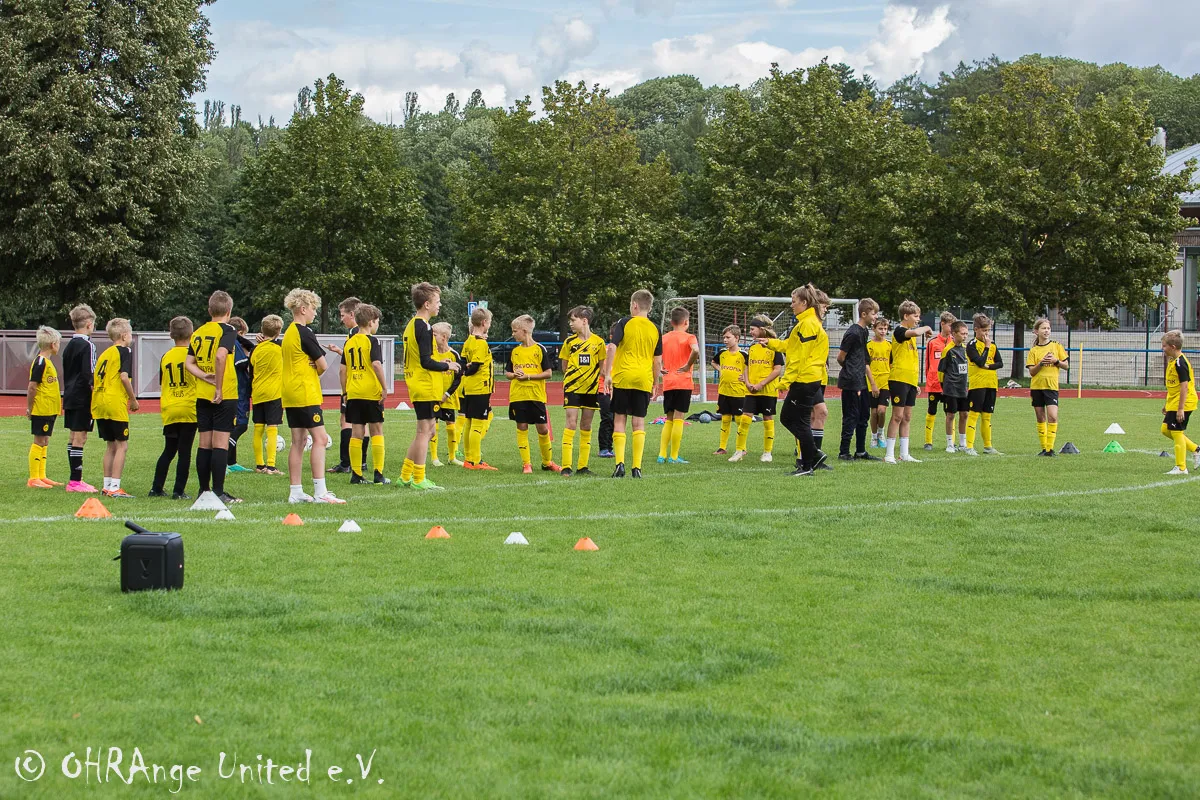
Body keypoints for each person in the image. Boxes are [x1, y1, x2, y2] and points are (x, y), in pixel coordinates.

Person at [281, 288, 345, 503]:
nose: (315, 313)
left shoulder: (289, 332)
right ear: (303, 309)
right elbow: (323, 364)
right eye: (313, 308)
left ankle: (296, 491)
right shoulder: (304, 332)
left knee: (298, 441)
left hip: (290, 392)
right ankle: (320, 492)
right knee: (320, 439)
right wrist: (314, 368)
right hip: (305, 392)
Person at [759, 284, 827, 476]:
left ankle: (807, 465)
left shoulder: (808, 324)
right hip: (806, 378)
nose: (791, 305)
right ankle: (813, 455)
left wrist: (785, 381)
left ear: (804, 303)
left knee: (797, 421)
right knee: (789, 418)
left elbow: (798, 358)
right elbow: (791, 346)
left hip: (805, 379)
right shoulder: (805, 323)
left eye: (794, 301)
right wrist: (770, 343)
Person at [400, 282, 460, 489]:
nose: (439, 305)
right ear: (427, 304)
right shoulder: (424, 327)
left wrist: (443, 363)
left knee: (428, 432)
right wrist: (447, 365)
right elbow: (425, 361)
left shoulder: (412, 324)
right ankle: (419, 478)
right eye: (437, 301)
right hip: (424, 384)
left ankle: (405, 475)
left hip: (419, 383)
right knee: (425, 432)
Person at [185, 290, 241, 505]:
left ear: (210, 310)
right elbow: (220, 355)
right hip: (224, 394)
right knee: (220, 443)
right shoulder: (228, 329)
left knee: (204, 443)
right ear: (229, 311)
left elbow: (189, 363)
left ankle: (203, 490)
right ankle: (218, 491)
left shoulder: (198, 332)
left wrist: (204, 376)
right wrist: (218, 385)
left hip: (202, 393)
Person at [606, 290, 663, 478]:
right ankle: (636, 467)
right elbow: (657, 360)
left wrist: (608, 373)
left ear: (635, 305)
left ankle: (619, 465)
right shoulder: (656, 329)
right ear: (650, 308)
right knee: (638, 423)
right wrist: (655, 381)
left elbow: (612, 346)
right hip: (643, 379)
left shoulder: (624, 322)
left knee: (619, 419)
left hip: (623, 377)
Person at [150, 317, 197, 499]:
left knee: (169, 450)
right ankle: (178, 491)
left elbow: (162, 381)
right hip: (188, 407)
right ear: (192, 334)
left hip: (170, 407)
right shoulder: (193, 355)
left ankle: (156, 488)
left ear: (171, 335)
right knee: (185, 452)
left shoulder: (166, 356)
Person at [506, 314, 560, 475]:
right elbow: (508, 373)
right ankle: (526, 464)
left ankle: (547, 462)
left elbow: (548, 373)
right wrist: (514, 375)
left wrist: (528, 376)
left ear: (524, 331)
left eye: (515, 331)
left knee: (542, 429)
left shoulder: (539, 349)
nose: (513, 334)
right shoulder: (515, 351)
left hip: (536, 395)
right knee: (521, 427)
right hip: (518, 395)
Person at [343, 303, 390, 484]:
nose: (377, 325)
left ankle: (356, 475)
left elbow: (342, 370)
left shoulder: (349, 342)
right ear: (371, 322)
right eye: (377, 321)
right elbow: (376, 364)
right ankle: (378, 474)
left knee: (357, 432)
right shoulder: (372, 340)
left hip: (354, 392)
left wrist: (344, 391)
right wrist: (384, 387)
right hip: (370, 392)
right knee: (376, 430)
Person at [91, 318, 138, 498]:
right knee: (122, 445)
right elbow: (124, 377)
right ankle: (115, 487)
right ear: (124, 335)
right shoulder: (124, 351)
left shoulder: (105, 353)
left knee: (110, 445)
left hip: (99, 401)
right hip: (114, 401)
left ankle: (107, 485)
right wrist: (133, 399)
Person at [884, 301, 933, 465]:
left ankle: (904, 453)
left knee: (907, 417)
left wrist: (915, 383)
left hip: (910, 380)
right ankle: (889, 454)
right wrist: (927, 327)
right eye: (916, 316)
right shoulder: (900, 331)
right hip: (899, 379)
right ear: (906, 316)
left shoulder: (910, 336)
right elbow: (917, 332)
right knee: (897, 416)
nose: (918, 319)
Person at [560, 306, 606, 477]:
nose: (570, 324)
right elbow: (564, 366)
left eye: (573, 320)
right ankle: (566, 466)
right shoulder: (569, 342)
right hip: (572, 388)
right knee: (571, 423)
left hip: (591, 390)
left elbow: (602, 368)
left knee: (586, 425)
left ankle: (583, 466)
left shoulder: (599, 343)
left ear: (584, 321)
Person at [837, 298, 881, 462]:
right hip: (851, 382)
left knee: (863, 415)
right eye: (873, 314)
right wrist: (851, 371)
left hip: (861, 381)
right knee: (851, 416)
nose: (876, 317)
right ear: (863, 314)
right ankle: (844, 452)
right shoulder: (853, 333)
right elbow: (841, 357)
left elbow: (863, 358)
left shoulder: (864, 332)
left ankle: (861, 451)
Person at [62, 304, 99, 493]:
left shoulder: (68, 345)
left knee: (73, 436)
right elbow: (88, 373)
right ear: (89, 324)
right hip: (82, 396)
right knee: (80, 436)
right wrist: (96, 392)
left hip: (69, 394)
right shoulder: (88, 345)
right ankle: (75, 481)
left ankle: (75, 478)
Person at [323, 297, 362, 475]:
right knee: (361, 423)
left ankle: (346, 463)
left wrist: (345, 391)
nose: (341, 319)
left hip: (352, 385)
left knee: (346, 421)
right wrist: (339, 351)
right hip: (361, 384)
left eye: (342, 315)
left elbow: (346, 365)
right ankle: (360, 462)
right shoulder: (361, 332)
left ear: (352, 314)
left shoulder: (354, 333)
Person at [657, 307, 699, 464]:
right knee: (679, 418)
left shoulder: (664, 338)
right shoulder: (690, 337)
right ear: (686, 322)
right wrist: (688, 365)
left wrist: (660, 366)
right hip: (683, 382)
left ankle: (662, 454)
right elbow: (696, 350)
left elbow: (655, 355)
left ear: (671, 322)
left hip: (668, 382)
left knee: (669, 419)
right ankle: (674, 456)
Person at [460, 306, 497, 471]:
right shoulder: (481, 343)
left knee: (469, 422)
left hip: (469, 387)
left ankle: (469, 459)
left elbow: (462, 363)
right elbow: (474, 367)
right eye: (489, 322)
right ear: (484, 322)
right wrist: (468, 369)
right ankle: (475, 460)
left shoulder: (468, 341)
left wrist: (465, 370)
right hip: (480, 387)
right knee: (477, 424)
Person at [1026, 317, 1069, 456]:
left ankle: (1050, 449)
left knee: (1053, 416)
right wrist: (1041, 363)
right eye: (1043, 328)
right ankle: (1044, 449)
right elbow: (1032, 372)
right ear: (1036, 331)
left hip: (1051, 387)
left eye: (1048, 328)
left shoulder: (1056, 346)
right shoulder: (1033, 351)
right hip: (1037, 387)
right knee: (1040, 417)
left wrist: (1056, 361)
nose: (1046, 331)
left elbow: (1066, 366)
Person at [26, 326, 62, 488]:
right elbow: (32, 387)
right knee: (39, 440)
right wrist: (30, 408)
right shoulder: (40, 362)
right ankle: (33, 478)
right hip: (41, 408)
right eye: (58, 343)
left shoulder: (47, 362)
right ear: (53, 344)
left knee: (45, 441)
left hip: (50, 409)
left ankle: (42, 475)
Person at [1160, 329, 1200, 475]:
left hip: (1184, 402)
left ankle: (1181, 467)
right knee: (1165, 430)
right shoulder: (1173, 361)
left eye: (1164, 346)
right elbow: (1174, 386)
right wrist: (1167, 404)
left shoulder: (1180, 363)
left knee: (1177, 432)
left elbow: (1184, 386)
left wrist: (1180, 408)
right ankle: (1196, 449)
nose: (1162, 349)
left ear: (1173, 347)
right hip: (1174, 402)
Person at [745, 315, 784, 462]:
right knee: (745, 417)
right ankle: (739, 450)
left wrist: (761, 384)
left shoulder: (775, 346)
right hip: (751, 390)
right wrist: (747, 382)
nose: (750, 332)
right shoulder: (752, 347)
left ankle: (767, 452)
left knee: (767, 418)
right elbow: (747, 367)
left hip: (768, 391)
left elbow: (777, 370)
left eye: (752, 329)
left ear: (762, 329)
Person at [250, 315, 284, 475]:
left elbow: (251, 369)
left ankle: (259, 465)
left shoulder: (256, 349)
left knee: (258, 429)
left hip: (258, 392)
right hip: (274, 393)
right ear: (279, 331)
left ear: (262, 330)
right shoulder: (280, 349)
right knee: (272, 428)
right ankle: (271, 465)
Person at [964, 313, 1003, 456]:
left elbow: (1000, 363)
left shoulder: (993, 345)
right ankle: (969, 446)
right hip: (978, 384)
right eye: (984, 330)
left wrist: (989, 367)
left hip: (991, 383)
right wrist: (986, 348)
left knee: (987, 416)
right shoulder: (971, 345)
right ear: (976, 329)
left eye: (988, 330)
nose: (987, 333)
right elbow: (980, 362)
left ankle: (988, 446)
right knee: (974, 414)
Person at [711, 325, 751, 461]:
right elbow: (713, 362)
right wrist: (720, 369)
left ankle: (742, 448)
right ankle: (722, 447)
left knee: (740, 420)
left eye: (728, 337)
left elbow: (752, 368)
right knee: (725, 418)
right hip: (724, 391)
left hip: (739, 392)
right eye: (724, 337)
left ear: (737, 338)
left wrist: (746, 377)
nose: (725, 340)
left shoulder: (744, 355)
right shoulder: (722, 353)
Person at [429, 322, 463, 467]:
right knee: (433, 426)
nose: (431, 337)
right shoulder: (431, 354)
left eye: (434, 335)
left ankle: (452, 457)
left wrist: (447, 394)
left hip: (447, 397)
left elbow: (458, 378)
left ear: (443, 337)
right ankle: (434, 458)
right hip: (433, 396)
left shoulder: (454, 355)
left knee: (451, 426)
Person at [923, 311, 957, 451]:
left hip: (949, 384)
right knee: (931, 411)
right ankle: (928, 441)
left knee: (950, 413)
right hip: (934, 384)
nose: (952, 329)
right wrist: (929, 380)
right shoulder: (932, 343)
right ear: (942, 324)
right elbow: (927, 363)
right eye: (950, 326)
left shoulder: (954, 343)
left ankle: (951, 442)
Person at [225, 316, 254, 474]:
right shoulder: (234, 343)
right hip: (237, 391)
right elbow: (242, 364)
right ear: (240, 332)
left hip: (240, 390)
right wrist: (253, 354)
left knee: (234, 425)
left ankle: (231, 462)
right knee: (240, 425)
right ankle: (223, 457)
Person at [937, 320, 970, 453]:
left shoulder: (965, 349)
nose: (965, 336)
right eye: (962, 333)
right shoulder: (948, 350)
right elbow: (941, 371)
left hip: (963, 388)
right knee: (950, 415)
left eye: (966, 334)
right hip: (951, 388)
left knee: (964, 414)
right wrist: (943, 387)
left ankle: (962, 443)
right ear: (954, 334)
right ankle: (950, 444)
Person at [867, 318, 891, 448]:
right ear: (874, 329)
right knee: (874, 412)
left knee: (882, 411)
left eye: (885, 329)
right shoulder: (869, 345)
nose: (883, 331)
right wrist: (872, 383)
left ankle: (881, 433)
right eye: (880, 328)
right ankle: (874, 436)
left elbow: (892, 364)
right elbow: (866, 365)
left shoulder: (889, 345)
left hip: (886, 381)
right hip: (872, 382)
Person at [598, 334, 617, 458]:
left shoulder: (623, 351)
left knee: (615, 419)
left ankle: (609, 447)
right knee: (607, 418)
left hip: (617, 388)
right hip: (603, 388)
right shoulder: (606, 350)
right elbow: (603, 371)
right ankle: (604, 448)